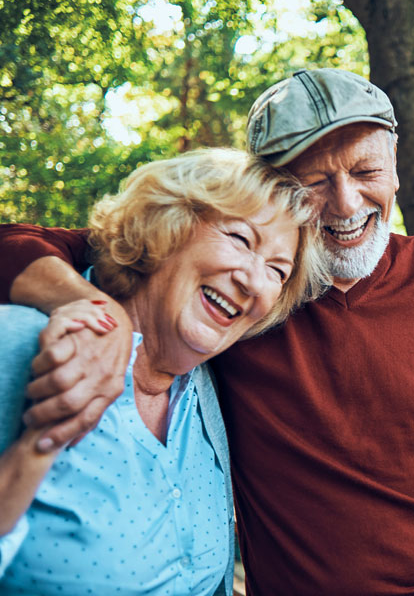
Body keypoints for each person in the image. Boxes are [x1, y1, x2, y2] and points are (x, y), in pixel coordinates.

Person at [1, 68, 414, 595]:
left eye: (366, 170)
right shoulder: (232, 305)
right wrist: (87, 308)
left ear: (395, 171)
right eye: (314, 181)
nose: (345, 203)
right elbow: (89, 244)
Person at [0, 146, 326, 595]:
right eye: (240, 238)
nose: (253, 281)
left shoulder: (210, 396)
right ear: (167, 226)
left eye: (277, 269)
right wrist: (39, 444)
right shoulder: (19, 345)